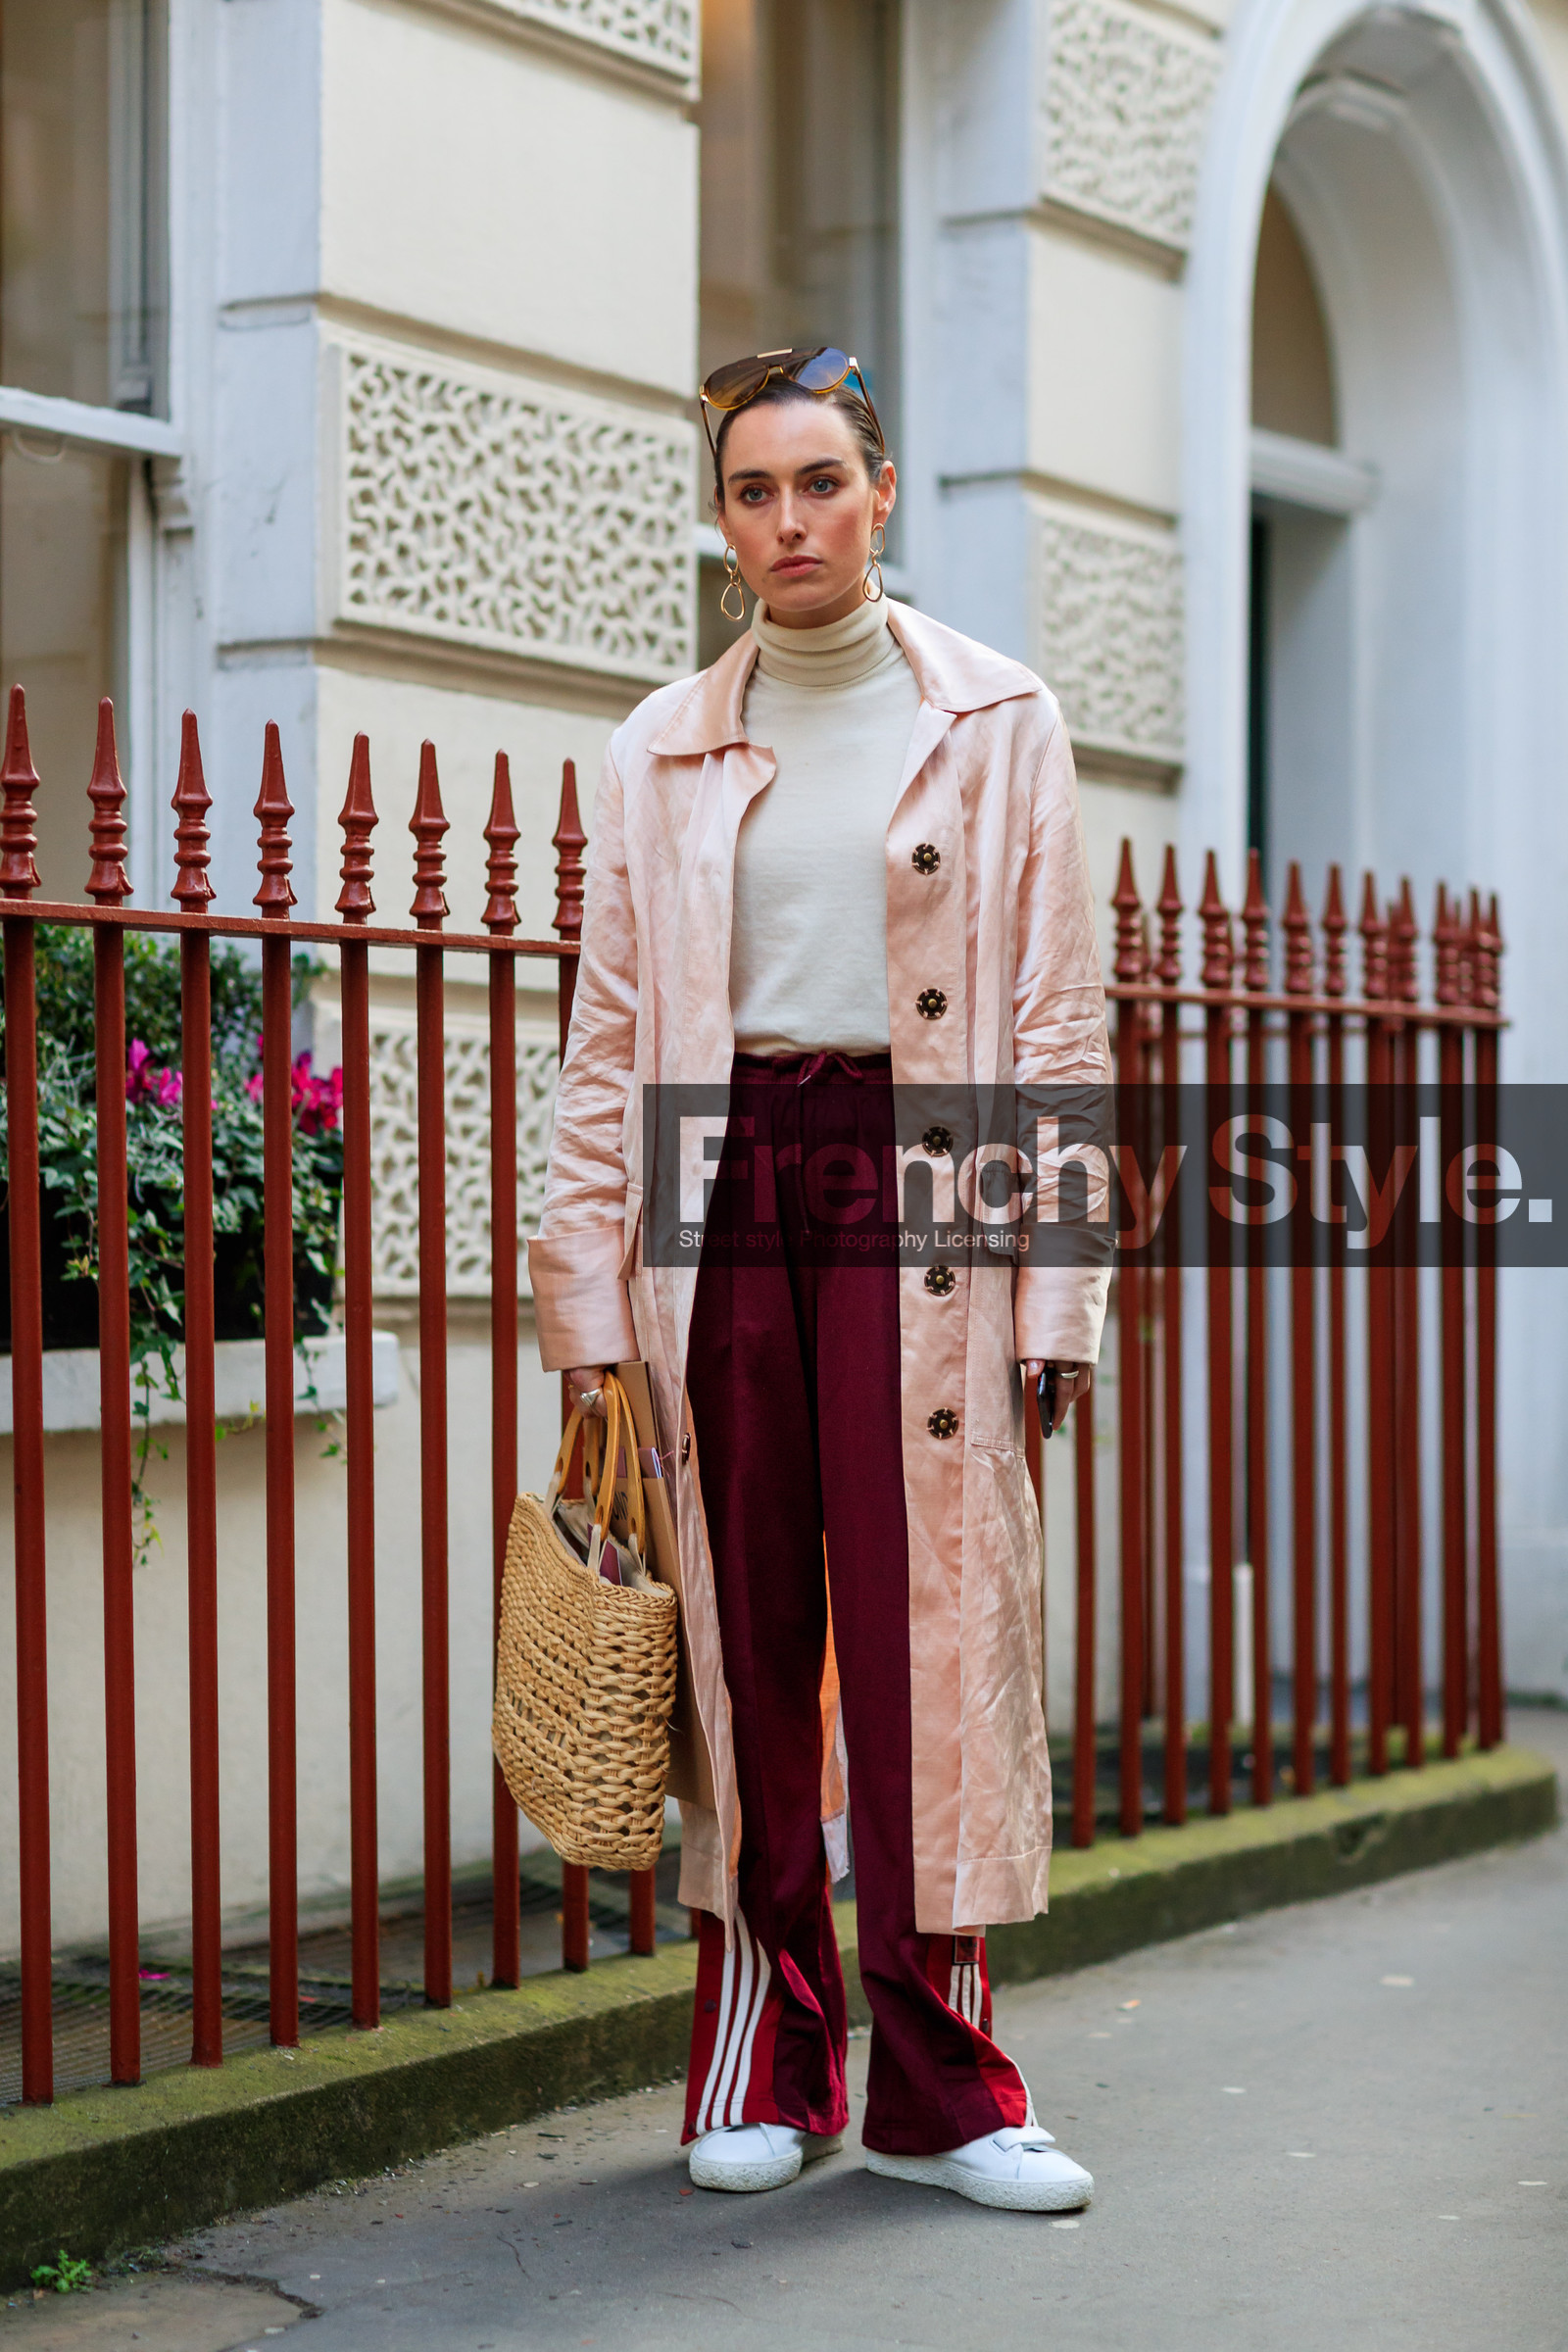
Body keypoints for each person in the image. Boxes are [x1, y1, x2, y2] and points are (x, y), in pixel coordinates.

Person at [529, 347, 1109, 2213]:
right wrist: (586, 1310)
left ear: (880, 493)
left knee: (931, 1625)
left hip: (921, 1181)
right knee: (747, 1629)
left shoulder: (999, 717)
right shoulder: (657, 744)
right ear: (723, 521)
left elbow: (1057, 1023)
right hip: (718, 1185)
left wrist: (1058, 1292)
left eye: (820, 483)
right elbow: (610, 1039)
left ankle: (947, 2092)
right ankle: (763, 2066)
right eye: (753, 491)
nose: (790, 521)